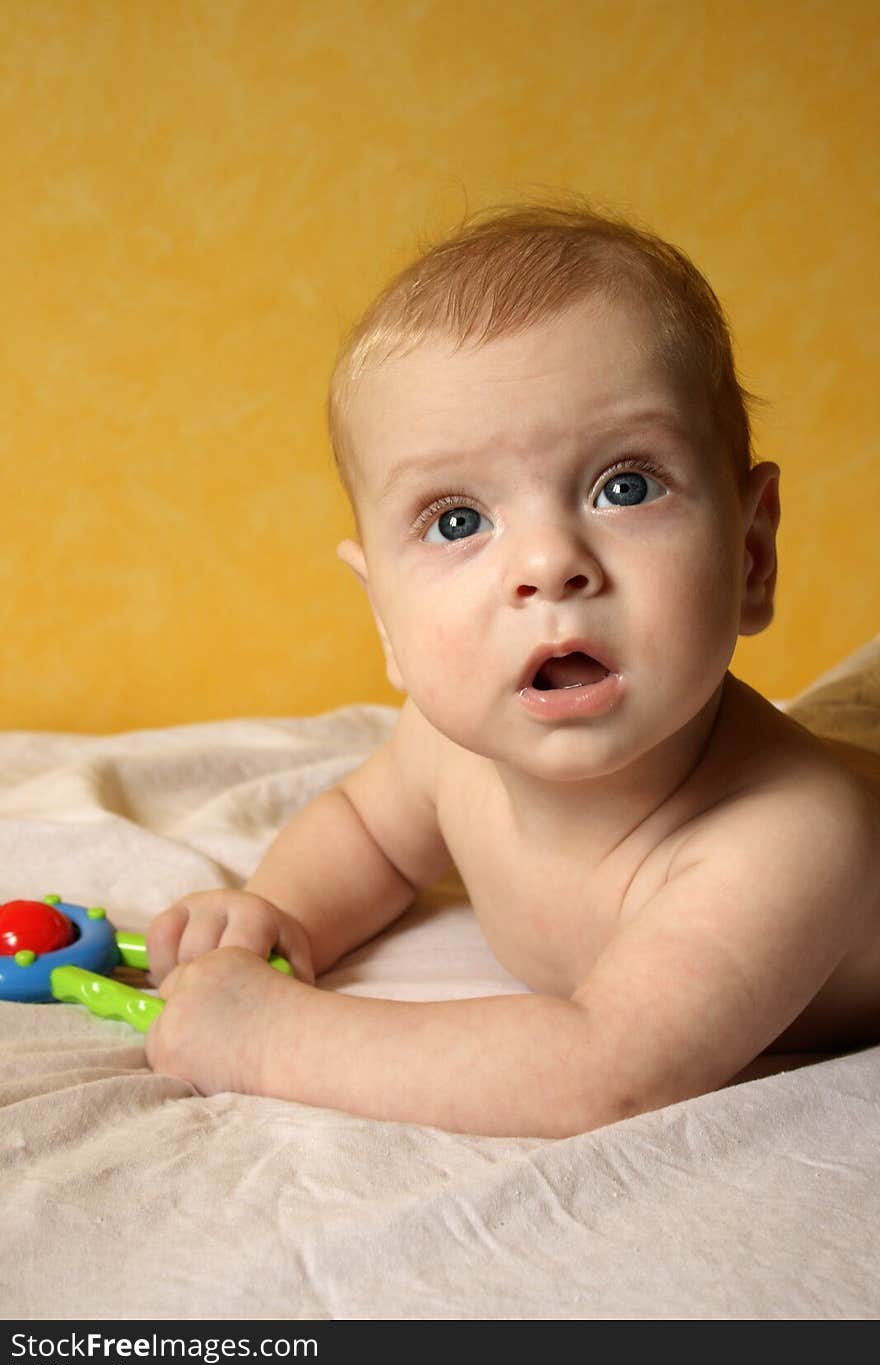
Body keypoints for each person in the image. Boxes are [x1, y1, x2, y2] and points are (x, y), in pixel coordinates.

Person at [144, 201, 880, 1138]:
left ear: (750, 556)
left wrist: (267, 1038)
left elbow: (601, 1072)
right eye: (457, 520)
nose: (547, 563)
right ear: (385, 619)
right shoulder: (445, 755)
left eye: (626, 485)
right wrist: (275, 915)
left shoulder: (792, 835)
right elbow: (366, 832)